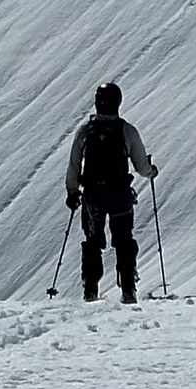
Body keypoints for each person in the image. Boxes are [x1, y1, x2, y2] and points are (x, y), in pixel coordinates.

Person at [65, 81, 157, 302]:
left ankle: (90, 288)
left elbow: (74, 164)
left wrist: (72, 192)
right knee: (124, 240)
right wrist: (151, 170)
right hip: (120, 196)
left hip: (92, 196)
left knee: (92, 242)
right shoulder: (127, 131)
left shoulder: (85, 131)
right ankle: (127, 288)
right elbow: (141, 166)